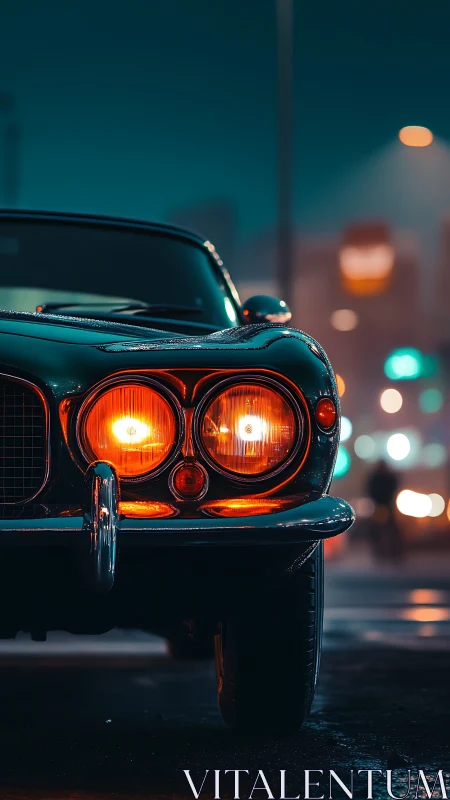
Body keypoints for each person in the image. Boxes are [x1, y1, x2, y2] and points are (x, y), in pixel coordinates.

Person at [365, 460, 403, 562]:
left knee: (384, 528)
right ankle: (389, 552)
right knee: (385, 528)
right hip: (384, 504)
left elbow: (370, 488)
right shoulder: (386, 477)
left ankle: (389, 552)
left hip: (383, 504)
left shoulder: (377, 477)